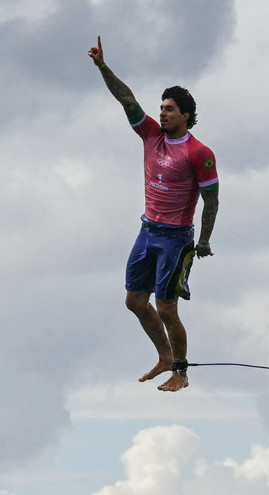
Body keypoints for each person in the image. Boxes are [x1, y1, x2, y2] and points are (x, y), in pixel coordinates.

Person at [88, 36, 220, 392]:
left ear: (186, 115)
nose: (162, 112)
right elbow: (126, 98)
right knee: (134, 301)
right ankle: (164, 356)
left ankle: (181, 371)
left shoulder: (199, 153)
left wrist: (204, 240)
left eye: (169, 109)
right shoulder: (150, 135)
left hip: (176, 239)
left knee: (166, 308)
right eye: (161, 107)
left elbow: (212, 199)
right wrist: (102, 66)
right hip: (148, 231)